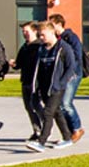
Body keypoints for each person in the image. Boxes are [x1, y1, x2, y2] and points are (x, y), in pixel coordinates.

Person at [26, 22, 80, 152]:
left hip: (57, 87)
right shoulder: (42, 49)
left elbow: (71, 67)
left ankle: (41, 141)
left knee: (48, 112)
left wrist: (62, 83)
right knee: (57, 112)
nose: (41, 38)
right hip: (44, 87)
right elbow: (39, 69)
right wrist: (36, 86)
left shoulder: (64, 48)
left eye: (43, 35)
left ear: (52, 33)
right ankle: (67, 137)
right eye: (39, 35)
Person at [47, 14, 86, 144]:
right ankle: (68, 133)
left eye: (51, 24)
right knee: (60, 105)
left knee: (65, 103)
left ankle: (77, 129)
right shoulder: (56, 39)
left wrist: (71, 73)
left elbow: (77, 57)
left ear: (59, 24)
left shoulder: (71, 38)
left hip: (73, 74)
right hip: (61, 75)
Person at [12, 21, 44, 142]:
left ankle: (46, 127)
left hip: (36, 81)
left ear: (35, 31)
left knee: (36, 105)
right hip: (25, 80)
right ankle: (37, 130)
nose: (24, 34)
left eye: (26, 31)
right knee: (29, 107)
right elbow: (18, 64)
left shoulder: (39, 47)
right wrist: (13, 64)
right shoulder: (25, 47)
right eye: (23, 32)